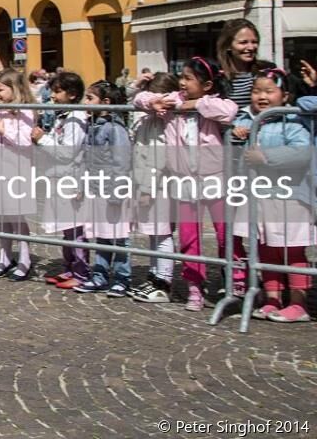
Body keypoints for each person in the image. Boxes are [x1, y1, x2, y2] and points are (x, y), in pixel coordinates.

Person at [134, 56, 238, 312]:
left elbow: (228, 111)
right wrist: (156, 100)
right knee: (190, 237)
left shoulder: (211, 102)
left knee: (225, 233)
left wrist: (194, 104)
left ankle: (237, 280)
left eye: (189, 78)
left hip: (213, 178)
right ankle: (194, 287)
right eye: (181, 76)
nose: (182, 82)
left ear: (207, 85)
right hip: (182, 180)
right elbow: (138, 99)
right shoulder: (174, 101)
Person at [236, 69, 313, 323]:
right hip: (260, 195)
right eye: (256, 91)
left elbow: (302, 153)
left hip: (289, 195)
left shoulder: (292, 121)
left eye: (269, 91)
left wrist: (267, 158)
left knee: (292, 250)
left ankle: (299, 302)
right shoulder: (249, 119)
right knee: (266, 249)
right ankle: (272, 298)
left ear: (285, 94)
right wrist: (238, 131)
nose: (262, 96)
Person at [74, 81, 134, 297]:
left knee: (118, 235)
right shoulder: (92, 125)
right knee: (101, 235)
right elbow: (85, 159)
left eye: (90, 98)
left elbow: (121, 162)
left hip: (111, 189)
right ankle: (99, 275)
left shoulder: (115, 129)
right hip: (96, 188)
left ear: (106, 102)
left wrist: (117, 191)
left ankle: (121, 277)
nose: (85, 102)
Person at [32, 71, 91, 289]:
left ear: (73, 94)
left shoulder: (76, 119)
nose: (53, 97)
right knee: (67, 228)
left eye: (58, 92)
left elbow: (67, 152)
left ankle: (82, 271)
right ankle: (69, 267)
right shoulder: (63, 116)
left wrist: (43, 139)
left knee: (76, 229)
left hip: (71, 179)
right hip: (59, 179)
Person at [0, 68, 37, 280]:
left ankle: (24, 259)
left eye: (0, 90)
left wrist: (7, 132)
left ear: (14, 89)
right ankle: (5, 256)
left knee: (18, 216)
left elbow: (26, 141)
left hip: (15, 168)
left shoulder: (25, 112)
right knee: (2, 216)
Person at [128, 72, 180, 304]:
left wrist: (148, 188)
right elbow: (130, 99)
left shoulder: (162, 122)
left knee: (162, 232)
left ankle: (164, 281)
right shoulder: (146, 116)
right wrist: (137, 85)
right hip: (144, 180)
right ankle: (153, 275)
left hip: (159, 185)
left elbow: (157, 157)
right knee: (152, 231)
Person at [217, 19, 269, 109]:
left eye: (254, 42)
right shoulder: (217, 75)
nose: (251, 47)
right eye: (243, 42)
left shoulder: (266, 70)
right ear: (228, 46)